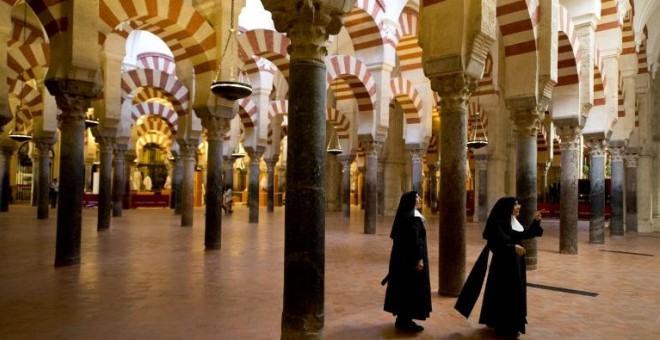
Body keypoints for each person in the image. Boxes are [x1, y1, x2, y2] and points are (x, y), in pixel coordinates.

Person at [454, 196, 543, 337]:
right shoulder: (499, 222)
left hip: (516, 263)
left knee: (515, 292)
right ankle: (504, 326)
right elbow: (497, 243)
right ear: (507, 207)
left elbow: (526, 234)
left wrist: (536, 221)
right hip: (504, 265)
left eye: (518, 203)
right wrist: (513, 247)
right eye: (515, 204)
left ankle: (507, 322)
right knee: (506, 293)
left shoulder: (513, 221)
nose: (519, 206)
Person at [381, 191, 431, 332]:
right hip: (411, 262)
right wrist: (419, 260)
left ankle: (402, 319)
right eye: (417, 197)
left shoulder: (405, 216)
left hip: (401, 261)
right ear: (411, 201)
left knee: (404, 288)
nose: (420, 199)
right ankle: (405, 321)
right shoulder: (411, 219)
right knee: (410, 288)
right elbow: (415, 243)